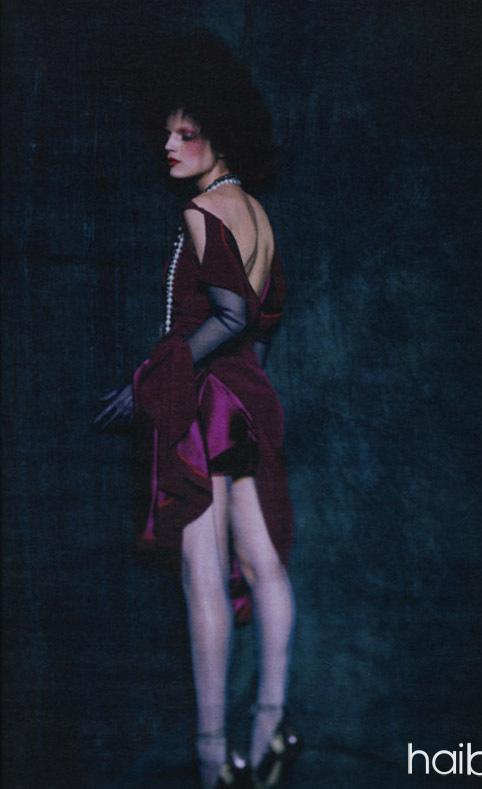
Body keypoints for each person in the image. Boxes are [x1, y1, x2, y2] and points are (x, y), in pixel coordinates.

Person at [93, 34, 301, 789]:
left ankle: (215, 760)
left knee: (202, 574)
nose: (170, 145)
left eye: (187, 132)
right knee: (265, 563)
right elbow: (261, 323)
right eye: (167, 132)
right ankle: (271, 730)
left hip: (208, 400)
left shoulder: (203, 212)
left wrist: (154, 380)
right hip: (247, 397)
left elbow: (230, 316)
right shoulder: (259, 216)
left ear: (222, 135)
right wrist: (246, 393)